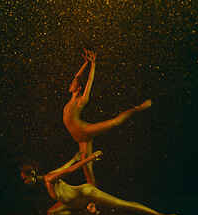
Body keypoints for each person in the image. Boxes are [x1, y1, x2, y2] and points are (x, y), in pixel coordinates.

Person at [63, 49, 152, 187]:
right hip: (79, 137)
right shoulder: (71, 98)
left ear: (79, 88)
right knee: (86, 168)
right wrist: (85, 62)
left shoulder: (81, 100)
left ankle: (139, 107)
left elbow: (89, 81)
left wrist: (93, 64)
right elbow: (78, 76)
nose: (70, 83)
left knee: (116, 121)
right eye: (72, 82)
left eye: (73, 83)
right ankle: (92, 201)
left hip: (84, 130)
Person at [21, 151, 181, 215]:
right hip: (75, 202)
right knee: (51, 213)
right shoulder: (48, 177)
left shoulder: (49, 179)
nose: (25, 182)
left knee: (123, 205)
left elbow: (70, 170)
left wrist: (90, 158)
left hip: (86, 193)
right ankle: (85, 211)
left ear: (33, 174)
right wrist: (73, 158)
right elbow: (65, 167)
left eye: (26, 179)